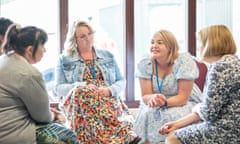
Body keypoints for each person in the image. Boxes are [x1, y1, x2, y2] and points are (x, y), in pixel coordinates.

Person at [55, 20, 141, 144]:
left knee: (88, 99)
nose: (88, 38)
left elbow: (121, 81)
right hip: (77, 102)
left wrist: (109, 90)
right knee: (82, 92)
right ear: (75, 39)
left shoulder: (107, 55)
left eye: (90, 34)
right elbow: (59, 88)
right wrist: (84, 86)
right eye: (83, 36)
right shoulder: (64, 59)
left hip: (107, 98)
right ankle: (122, 135)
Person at [158, 25, 240, 144]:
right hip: (232, 127)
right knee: (175, 133)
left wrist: (196, 107)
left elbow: (208, 113)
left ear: (210, 44)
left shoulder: (220, 67)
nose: (198, 47)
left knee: (172, 139)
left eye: (200, 43)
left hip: (227, 131)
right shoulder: (233, 62)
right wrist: (177, 124)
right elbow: (210, 109)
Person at [0, 24, 78, 144]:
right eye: (42, 45)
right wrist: (54, 115)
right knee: (69, 136)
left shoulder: (4, 59)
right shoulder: (28, 74)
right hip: (12, 133)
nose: (45, 50)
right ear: (30, 50)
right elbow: (43, 117)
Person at [133, 30, 202, 143]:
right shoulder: (146, 63)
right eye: (152, 42)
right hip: (155, 103)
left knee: (169, 115)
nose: (154, 46)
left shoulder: (183, 61)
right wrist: (152, 98)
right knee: (147, 113)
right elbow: (145, 95)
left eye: (159, 43)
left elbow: (183, 97)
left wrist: (164, 103)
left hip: (183, 101)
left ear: (170, 46)